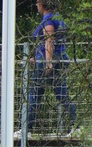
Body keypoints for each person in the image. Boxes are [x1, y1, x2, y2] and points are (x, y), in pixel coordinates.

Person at [25, 0, 78, 136]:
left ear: (43, 5)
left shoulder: (48, 19)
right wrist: (37, 58)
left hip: (48, 61)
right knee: (62, 94)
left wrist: (47, 61)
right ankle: (77, 127)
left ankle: (26, 130)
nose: (36, 5)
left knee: (34, 94)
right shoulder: (58, 17)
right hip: (59, 58)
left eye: (38, 2)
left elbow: (49, 40)